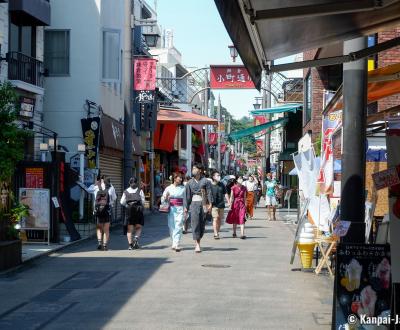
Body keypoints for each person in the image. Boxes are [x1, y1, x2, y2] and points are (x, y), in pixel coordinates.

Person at [184, 163, 213, 253]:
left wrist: (210, 204)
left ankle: (199, 238)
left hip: (204, 204)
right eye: (192, 168)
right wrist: (186, 207)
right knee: (195, 223)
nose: (193, 170)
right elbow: (187, 196)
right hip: (194, 204)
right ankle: (197, 244)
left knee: (202, 224)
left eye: (195, 168)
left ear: (200, 170)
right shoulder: (189, 183)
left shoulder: (206, 181)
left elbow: (209, 193)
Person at [88, 175, 117, 251]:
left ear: (100, 180)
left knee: (99, 228)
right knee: (106, 229)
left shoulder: (96, 187)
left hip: (98, 210)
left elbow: (87, 190)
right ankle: (104, 246)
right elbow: (114, 198)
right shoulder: (111, 187)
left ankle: (99, 243)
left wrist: (95, 184)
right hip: (107, 210)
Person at [161, 172, 185, 252]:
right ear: (175, 178)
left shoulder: (183, 188)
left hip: (180, 209)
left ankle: (176, 244)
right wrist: (166, 197)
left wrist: (186, 208)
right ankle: (174, 242)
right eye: (179, 178)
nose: (181, 179)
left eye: (181, 178)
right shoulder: (168, 188)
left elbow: (185, 199)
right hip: (171, 209)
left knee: (179, 225)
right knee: (171, 226)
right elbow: (163, 199)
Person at [120, 177, 145, 250]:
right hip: (138, 210)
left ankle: (130, 245)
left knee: (129, 229)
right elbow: (143, 201)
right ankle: (136, 239)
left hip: (129, 211)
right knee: (138, 227)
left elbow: (122, 202)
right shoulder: (140, 191)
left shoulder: (125, 191)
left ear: (129, 183)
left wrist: (127, 205)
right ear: (136, 183)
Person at [210, 170, 229, 239]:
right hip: (214, 205)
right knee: (215, 218)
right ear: (213, 177)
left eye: (219, 175)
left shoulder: (222, 184)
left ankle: (217, 232)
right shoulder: (210, 185)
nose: (219, 177)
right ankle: (215, 233)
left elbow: (225, 193)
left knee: (220, 219)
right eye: (217, 175)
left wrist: (229, 201)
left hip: (221, 204)